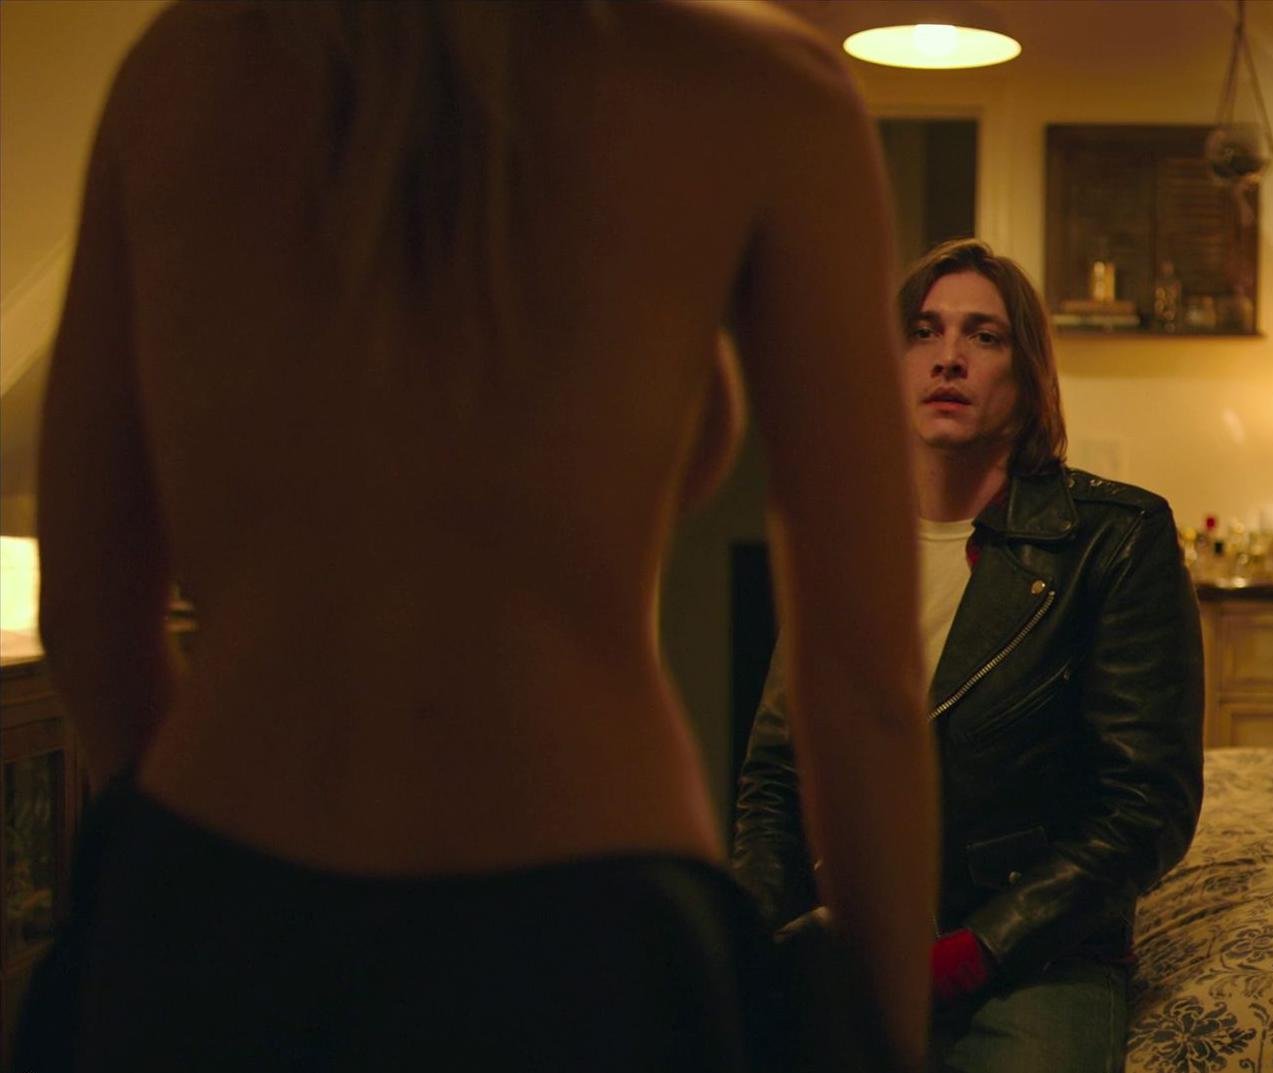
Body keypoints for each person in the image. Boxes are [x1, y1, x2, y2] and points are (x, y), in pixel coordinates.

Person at [21, 2, 935, 1070]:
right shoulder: (761, 90)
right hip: (586, 922)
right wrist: (884, 1039)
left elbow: (86, 611)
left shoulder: (185, 66)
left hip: (209, 902)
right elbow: (865, 682)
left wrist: (202, 872)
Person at [733, 238, 1205, 1073]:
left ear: (1029, 380)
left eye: (984, 337)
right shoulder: (843, 536)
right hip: (850, 935)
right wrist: (755, 939)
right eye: (924, 331)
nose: (948, 356)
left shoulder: (1114, 538)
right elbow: (777, 772)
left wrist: (972, 952)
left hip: (1031, 953)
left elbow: (1147, 806)